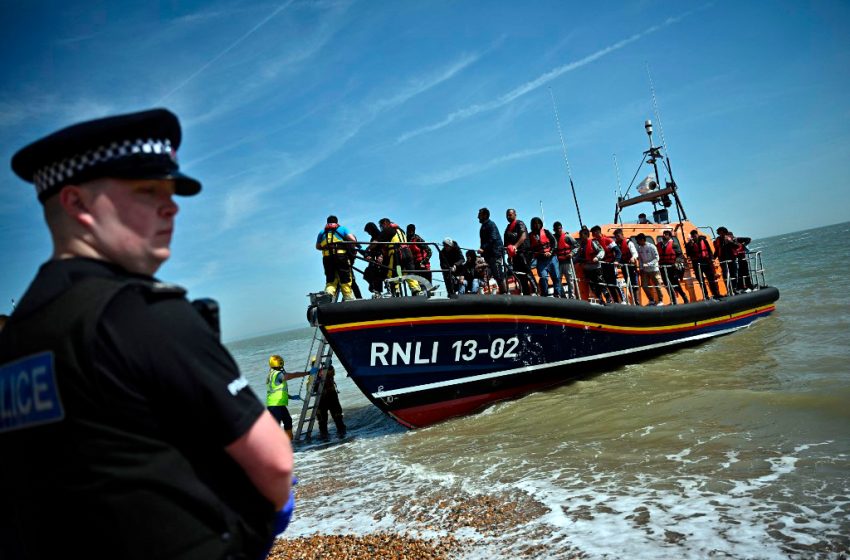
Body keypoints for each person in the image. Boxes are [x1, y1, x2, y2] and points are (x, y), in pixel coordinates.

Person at [0, 109, 293, 559]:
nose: (171, 205)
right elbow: (274, 463)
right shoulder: (143, 315)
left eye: (171, 191)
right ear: (77, 203)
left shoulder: (17, 338)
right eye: (147, 189)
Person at [266, 354, 310, 440]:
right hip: (275, 406)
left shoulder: (271, 374)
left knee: (288, 421)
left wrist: (291, 397)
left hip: (278, 404)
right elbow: (293, 375)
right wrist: (308, 373)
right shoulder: (278, 374)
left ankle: (289, 443)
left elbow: (277, 391)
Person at [316, 215, 358, 301]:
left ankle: (328, 295)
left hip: (327, 258)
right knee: (345, 277)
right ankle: (348, 298)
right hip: (341, 257)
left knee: (330, 279)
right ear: (337, 222)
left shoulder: (322, 232)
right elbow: (353, 240)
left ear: (327, 222)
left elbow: (318, 246)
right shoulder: (342, 229)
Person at [378, 218, 422, 296]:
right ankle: (417, 291)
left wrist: (369, 249)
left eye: (381, 226)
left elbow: (377, 242)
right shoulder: (401, 230)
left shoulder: (388, 230)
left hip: (397, 254)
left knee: (393, 272)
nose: (381, 228)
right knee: (409, 272)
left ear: (385, 223)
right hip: (408, 253)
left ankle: (394, 291)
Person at [529, 217, 564, 297]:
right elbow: (529, 248)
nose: (536, 225)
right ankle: (545, 295)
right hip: (541, 261)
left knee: (556, 277)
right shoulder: (530, 236)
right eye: (534, 223)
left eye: (538, 223)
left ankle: (557, 294)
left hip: (552, 259)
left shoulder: (546, 232)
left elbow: (554, 242)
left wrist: (550, 252)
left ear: (540, 224)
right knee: (543, 278)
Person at [503, 208, 534, 295]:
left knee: (527, 271)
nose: (508, 217)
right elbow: (506, 244)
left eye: (510, 215)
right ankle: (526, 293)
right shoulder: (507, 229)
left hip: (523, 252)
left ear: (515, 215)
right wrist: (509, 256)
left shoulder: (520, 223)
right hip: (515, 256)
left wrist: (515, 247)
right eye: (507, 215)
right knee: (519, 275)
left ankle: (535, 290)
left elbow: (523, 236)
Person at [591, 225, 623, 303]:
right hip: (601, 266)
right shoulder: (594, 242)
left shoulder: (608, 240)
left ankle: (622, 300)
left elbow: (618, 252)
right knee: (607, 284)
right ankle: (614, 301)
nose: (592, 235)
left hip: (611, 265)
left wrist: (616, 260)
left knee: (614, 283)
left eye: (593, 233)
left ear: (597, 232)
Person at [685, 229, 721, 300]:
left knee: (711, 279)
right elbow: (688, 254)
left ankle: (716, 294)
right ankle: (706, 295)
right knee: (701, 281)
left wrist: (712, 259)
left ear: (697, 235)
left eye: (695, 236)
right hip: (696, 264)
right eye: (693, 236)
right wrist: (690, 245)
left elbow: (709, 250)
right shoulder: (689, 244)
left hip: (706, 262)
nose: (694, 237)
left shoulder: (704, 241)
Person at [477, 208, 506, 294]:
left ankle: (504, 292)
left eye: (480, 215)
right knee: (490, 274)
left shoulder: (491, 225)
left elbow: (493, 238)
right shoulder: (483, 226)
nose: (478, 216)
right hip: (489, 255)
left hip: (495, 253)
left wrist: (483, 248)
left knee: (497, 273)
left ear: (485, 215)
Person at [314, 362, 346, 440]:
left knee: (338, 417)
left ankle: (342, 434)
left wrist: (328, 366)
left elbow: (332, 371)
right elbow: (310, 388)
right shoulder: (313, 377)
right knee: (322, 421)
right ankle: (325, 437)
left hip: (332, 397)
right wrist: (317, 381)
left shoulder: (328, 371)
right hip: (321, 399)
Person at [657, 230, 689, 304]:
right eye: (664, 234)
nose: (664, 235)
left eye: (666, 234)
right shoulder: (659, 245)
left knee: (675, 283)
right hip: (663, 267)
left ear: (670, 236)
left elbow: (679, 255)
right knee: (666, 284)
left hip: (671, 267)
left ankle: (684, 297)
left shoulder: (674, 245)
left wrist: (676, 262)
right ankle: (673, 300)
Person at [577, 226, 608, 303]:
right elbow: (578, 256)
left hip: (595, 267)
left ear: (586, 235)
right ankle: (600, 299)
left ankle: (608, 298)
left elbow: (601, 251)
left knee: (601, 283)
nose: (580, 237)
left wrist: (597, 257)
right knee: (593, 286)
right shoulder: (581, 246)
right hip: (587, 269)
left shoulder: (593, 242)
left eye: (581, 235)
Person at [635, 232, 665, 305]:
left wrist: (649, 264)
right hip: (645, 270)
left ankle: (660, 300)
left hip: (654, 269)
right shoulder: (639, 248)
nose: (637, 242)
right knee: (644, 285)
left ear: (642, 240)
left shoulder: (651, 246)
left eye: (638, 240)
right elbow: (641, 260)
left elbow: (657, 258)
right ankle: (651, 300)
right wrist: (641, 268)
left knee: (657, 285)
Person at [614, 228, 640, 304]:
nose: (617, 238)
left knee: (634, 283)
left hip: (631, 266)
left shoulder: (629, 243)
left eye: (618, 236)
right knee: (628, 283)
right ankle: (633, 300)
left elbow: (635, 253)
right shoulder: (616, 245)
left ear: (622, 235)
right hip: (623, 266)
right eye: (616, 236)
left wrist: (633, 258)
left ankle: (637, 301)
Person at [552, 221, 577, 299]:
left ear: (561, 228)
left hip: (567, 261)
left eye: (559, 228)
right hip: (558, 263)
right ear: (554, 230)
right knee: (558, 280)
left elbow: (577, 246)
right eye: (556, 229)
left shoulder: (567, 236)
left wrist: (572, 253)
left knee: (570, 280)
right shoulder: (553, 238)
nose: (558, 230)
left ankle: (572, 296)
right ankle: (562, 296)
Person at [362, 221, 385, 296]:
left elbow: (376, 244)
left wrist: (381, 256)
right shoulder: (372, 238)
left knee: (377, 273)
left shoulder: (380, 235)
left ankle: (378, 291)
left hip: (382, 258)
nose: (368, 233)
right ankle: (374, 287)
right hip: (374, 259)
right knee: (367, 273)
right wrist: (367, 255)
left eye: (368, 231)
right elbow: (371, 249)